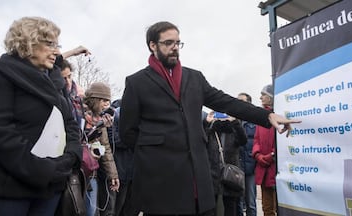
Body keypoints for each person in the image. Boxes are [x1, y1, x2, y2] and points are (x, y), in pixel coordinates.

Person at [119, 21, 301, 216]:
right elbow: (128, 132)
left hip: (198, 178)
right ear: (153, 45)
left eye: (178, 43)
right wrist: (155, 152)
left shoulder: (194, 78)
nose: (174, 48)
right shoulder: (137, 82)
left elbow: (227, 102)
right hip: (161, 180)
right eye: (168, 43)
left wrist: (267, 115)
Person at [0, 16, 82, 215]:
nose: (56, 51)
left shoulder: (55, 81)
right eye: (50, 44)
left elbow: (70, 122)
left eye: (57, 45)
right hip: (11, 190)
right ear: (27, 41)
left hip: (51, 188)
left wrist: (72, 156)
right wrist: (42, 169)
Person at [82, 82, 120, 216]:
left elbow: (106, 148)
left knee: (91, 211)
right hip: (76, 172)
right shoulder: (79, 113)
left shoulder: (101, 120)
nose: (106, 104)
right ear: (95, 99)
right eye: (104, 100)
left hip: (92, 171)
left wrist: (113, 175)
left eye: (108, 101)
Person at [204, 111, 247, 216]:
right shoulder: (212, 130)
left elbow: (243, 140)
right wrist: (207, 123)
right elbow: (202, 140)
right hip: (212, 172)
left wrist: (235, 122)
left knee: (230, 205)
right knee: (210, 205)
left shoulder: (233, 130)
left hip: (230, 172)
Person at [252, 84, 277, 216]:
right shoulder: (261, 117)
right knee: (266, 208)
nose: (260, 97)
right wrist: (258, 155)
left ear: (271, 97)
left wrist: (271, 155)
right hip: (263, 167)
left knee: (279, 206)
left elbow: (282, 140)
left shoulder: (278, 115)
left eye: (263, 94)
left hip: (276, 167)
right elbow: (256, 139)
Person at [236, 93, 257, 216]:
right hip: (237, 166)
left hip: (250, 166)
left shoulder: (255, 119)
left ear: (249, 103)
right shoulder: (235, 119)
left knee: (250, 202)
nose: (239, 102)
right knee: (238, 201)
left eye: (241, 100)